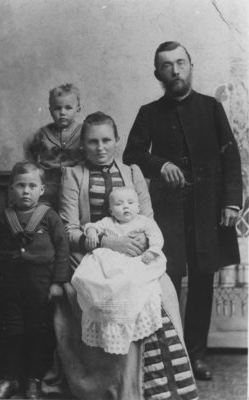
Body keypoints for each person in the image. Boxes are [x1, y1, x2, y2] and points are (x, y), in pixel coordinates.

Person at [43, 111, 199, 400]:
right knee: (117, 294)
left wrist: (139, 241)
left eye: (106, 140)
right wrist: (110, 243)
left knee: (161, 290)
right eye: (92, 142)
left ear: (116, 140)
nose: (100, 148)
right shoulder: (73, 175)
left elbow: (147, 217)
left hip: (134, 254)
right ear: (83, 145)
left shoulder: (133, 172)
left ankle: (163, 386)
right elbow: (69, 231)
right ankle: (123, 387)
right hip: (93, 254)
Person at [123, 41, 242, 380]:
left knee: (204, 279)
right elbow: (132, 154)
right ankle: (172, 356)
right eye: (167, 66)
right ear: (157, 73)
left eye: (180, 63)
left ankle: (197, 355)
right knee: (168, 280)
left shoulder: (210, 107)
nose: (175, 71)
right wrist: (159, 164)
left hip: (208, 210)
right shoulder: (149, 112)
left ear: (191, 66)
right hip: (169, 211)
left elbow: (229, 156)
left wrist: (232, 201)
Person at [0, 161, 70, 399]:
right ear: (11, 188)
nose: (26, 191)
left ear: (42, 189)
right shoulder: (4, 219)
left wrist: (57, 282)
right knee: (12, 331)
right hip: (9, 285)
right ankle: (10, 380)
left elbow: (62, 250)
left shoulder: (49, 217)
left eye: (32, 185)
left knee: (38, 331)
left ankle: (33, 380)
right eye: (20, 185)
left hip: (40, 286)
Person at [72, 186, 167, 355]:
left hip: (136, 259)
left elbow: (156, 235)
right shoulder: (108, 222)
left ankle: (127, 318)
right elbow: (92, 226)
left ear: (138, 207)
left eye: (130, 203)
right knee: (95, 277)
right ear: (111, 210)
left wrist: (153, 249)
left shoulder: (143, 221)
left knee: (133, 281)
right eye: (119, 204)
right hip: (112, 260)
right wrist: (92, 232)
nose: (125, 207)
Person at [24, 83, 84, 211]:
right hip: (50, 186)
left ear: (78, 109)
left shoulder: (83, 132)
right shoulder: (42, 134)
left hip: (76, 186)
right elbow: (31, 158)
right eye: (57, 108)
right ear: (50, 110)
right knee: (45, 214)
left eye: (68, 108)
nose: (62, 112)